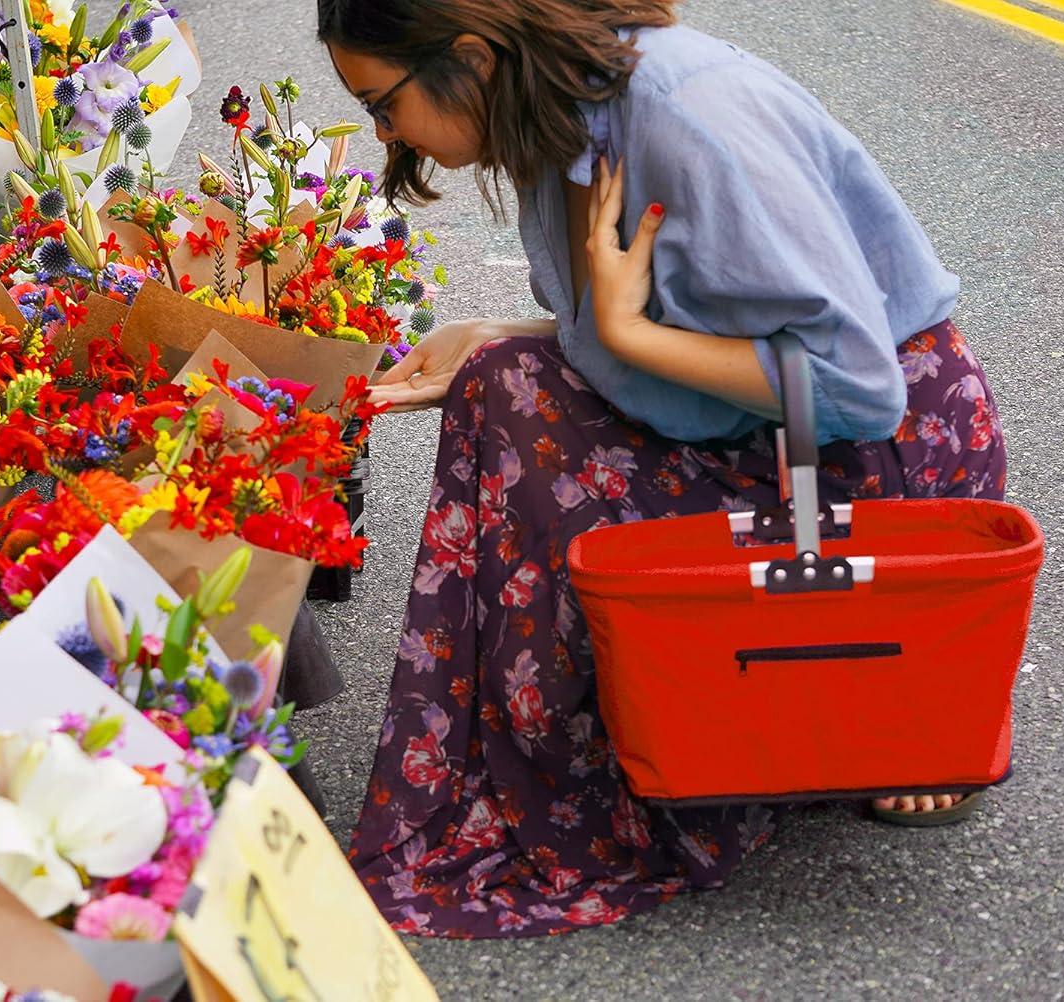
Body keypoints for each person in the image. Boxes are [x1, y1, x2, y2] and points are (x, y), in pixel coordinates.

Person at [319, 0, 1007, 938]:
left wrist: (621, 330)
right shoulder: (565, 107)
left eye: (381, 104)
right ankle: (646, 739)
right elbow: (692, 319)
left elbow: (853, 385)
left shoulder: (689, 118)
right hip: (757, 425)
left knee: (518, 404)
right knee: (497, 377)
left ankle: (888, 704)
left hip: (868, 468)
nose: (386, 133)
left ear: (471, 57)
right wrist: (499, 332)